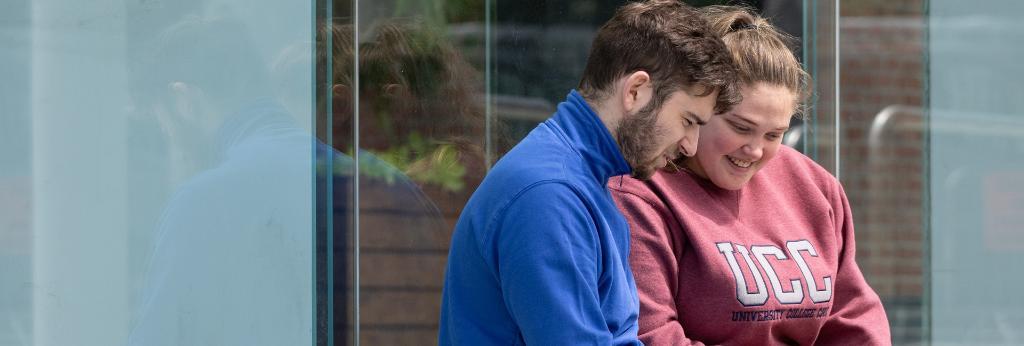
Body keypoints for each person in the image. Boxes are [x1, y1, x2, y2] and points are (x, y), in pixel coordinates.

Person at [439, 0, 740, 344]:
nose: (690, 145)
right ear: (636, 92)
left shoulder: (579, 177)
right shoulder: (549, 194)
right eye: (688, 121)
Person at [609, 6, 891, 345]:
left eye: (774, 135)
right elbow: (651, 334)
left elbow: (855, 321)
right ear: (698, 109)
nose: (755, 150)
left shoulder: (815, 187)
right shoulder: (640, 192)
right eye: (741, 128)